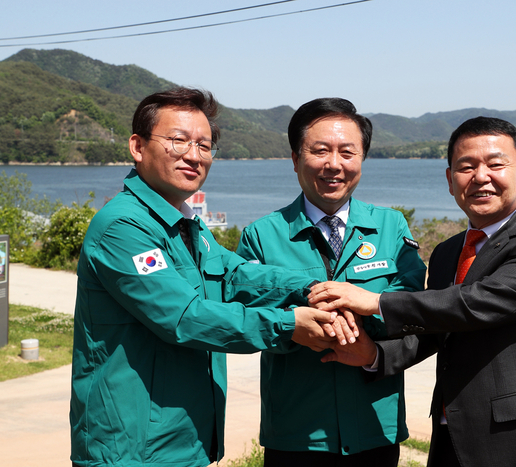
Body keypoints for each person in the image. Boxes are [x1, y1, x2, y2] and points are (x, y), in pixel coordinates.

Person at [70, 87, 344, 467]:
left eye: (204, 145)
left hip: (183, 440)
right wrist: (288, 325)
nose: (194, 156)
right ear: (137, 146)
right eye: (178, 141)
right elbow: (184, 317)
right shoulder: (123, 227)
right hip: (131, 448)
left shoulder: (185, 225)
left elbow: (236, 275)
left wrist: (312, 287)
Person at [309, 116, 516, 467]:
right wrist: (373, 355)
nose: (481, 177)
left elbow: (476, 304)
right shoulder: (446, 253)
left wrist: (375, 301)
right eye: (466, 167)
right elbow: (435, 328)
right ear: (449, 179)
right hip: (452, 438)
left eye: (495, 164)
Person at [236, 97, 426, 467]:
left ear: (362, 160)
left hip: (375, 426)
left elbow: (412, 304)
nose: (333, 165)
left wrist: (360, 309)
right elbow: (247, 313)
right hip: (296, 432)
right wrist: (299, 324)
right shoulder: (261, 235)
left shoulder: (391, 226)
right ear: (295, 159)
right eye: (320, 151)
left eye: (347, 152)